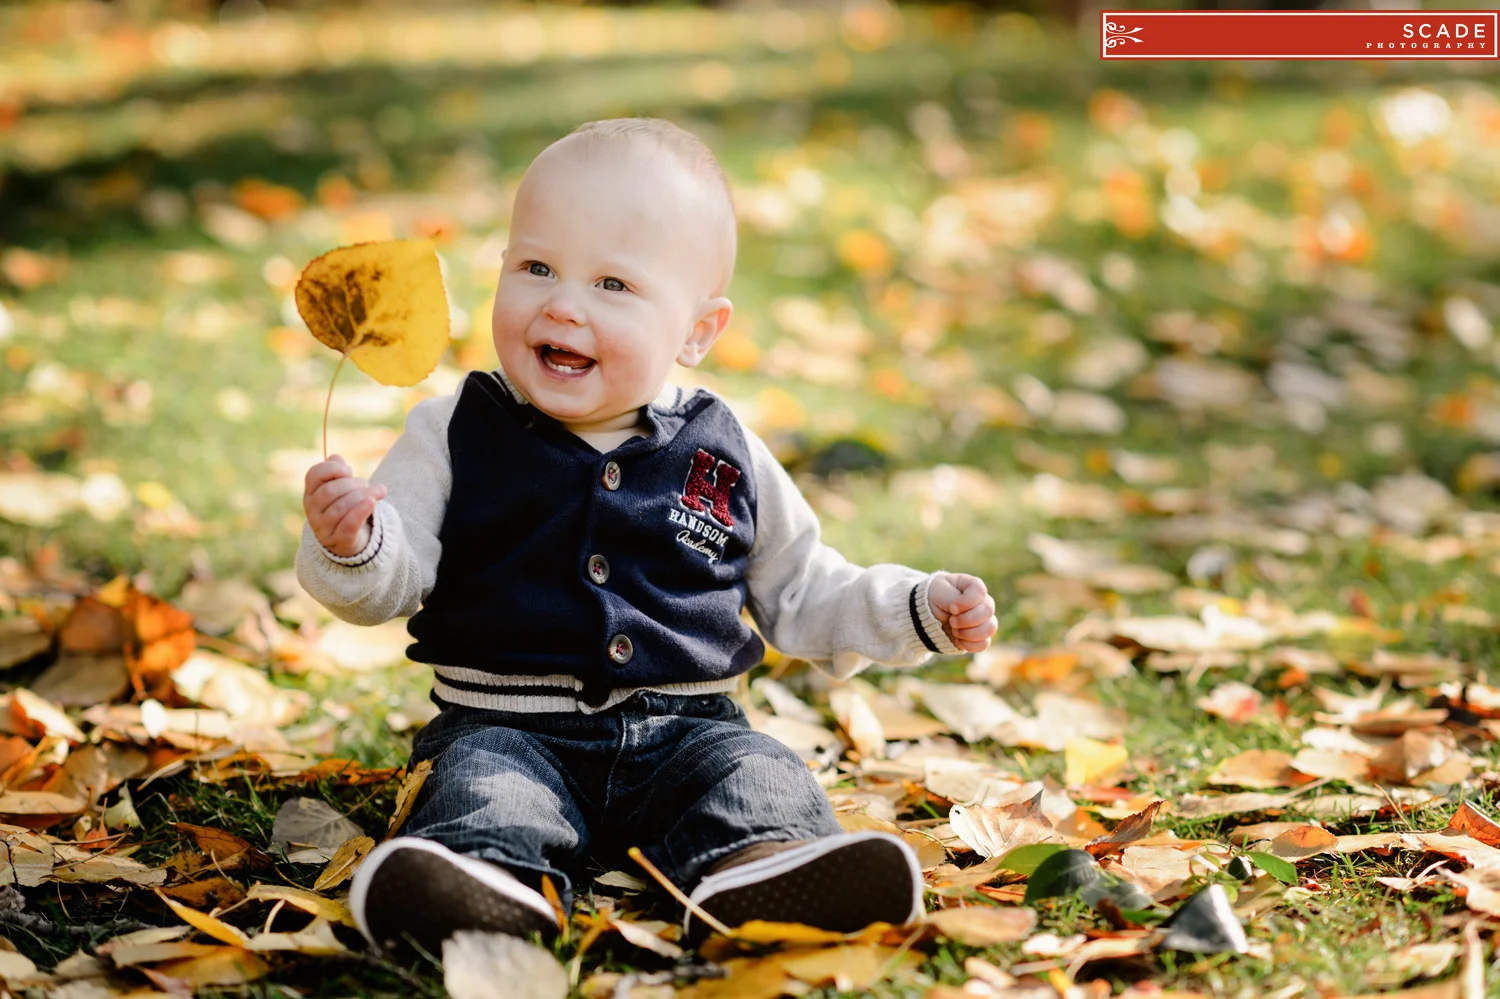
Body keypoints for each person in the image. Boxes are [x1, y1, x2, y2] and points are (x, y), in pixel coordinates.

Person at [296, 117, 998, 957]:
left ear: (698, 331)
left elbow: (804, 585)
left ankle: (767, 868)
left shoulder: (723, 447)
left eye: (613, 285)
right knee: (483, 788)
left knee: (759, 774)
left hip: (689, 731)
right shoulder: (454, 429)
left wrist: (913, 605)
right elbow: (393, 573)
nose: (562, 303)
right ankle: (483, 884)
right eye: (536, 267)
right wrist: (354, 541)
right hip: (505, 726)